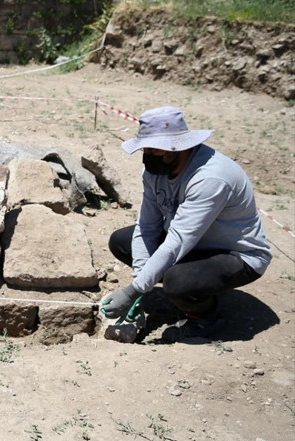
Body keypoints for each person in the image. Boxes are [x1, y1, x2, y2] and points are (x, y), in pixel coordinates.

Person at [100, 106, 271, 342]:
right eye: (144, 148)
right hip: (194, 243)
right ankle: (181, 285)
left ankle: (206, 317)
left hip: (238, 255)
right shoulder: (155, 170)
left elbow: (178, 241)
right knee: (121, 241)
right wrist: (140, 281)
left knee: (177, 282)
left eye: (152, 149)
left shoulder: (210, 178)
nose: (146, 154)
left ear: (174, 149)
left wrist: (133, 291)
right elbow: (147, 227)